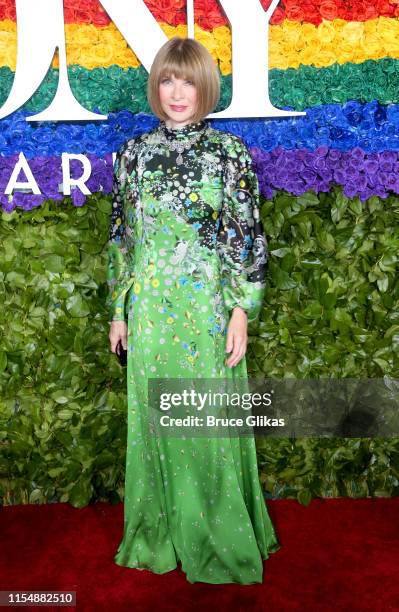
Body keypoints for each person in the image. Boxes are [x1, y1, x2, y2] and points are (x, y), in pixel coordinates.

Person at [107, 35, 280, 585]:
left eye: (187, 80)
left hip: (206, 313)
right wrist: (118, 309)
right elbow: (123, 238)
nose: (177, 92)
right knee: (156, 425)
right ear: (156, 86)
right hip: (151, 314)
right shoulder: (132, 155)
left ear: (205, 86)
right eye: (167, 80)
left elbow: (246, 238)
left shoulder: (229, 155)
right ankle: (157, 532)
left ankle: (217, 537)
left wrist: (241, 311)